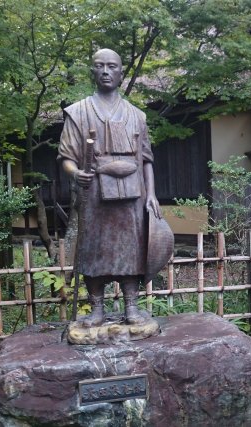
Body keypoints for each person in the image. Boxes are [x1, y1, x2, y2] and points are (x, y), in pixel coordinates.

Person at [58, 48, 161, 327]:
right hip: (93, 194)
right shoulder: (78, 112)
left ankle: (131, 308)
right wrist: (76, 172)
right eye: (100, 66)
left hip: (132, 196)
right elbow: (66, 156)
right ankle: (97, 309)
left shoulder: (137, 115)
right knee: (93, 250)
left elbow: (147, 160)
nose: (105, 71)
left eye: (112, 66)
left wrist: (151, 195)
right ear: (92, 71)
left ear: (120, 72)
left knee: (131, 249)